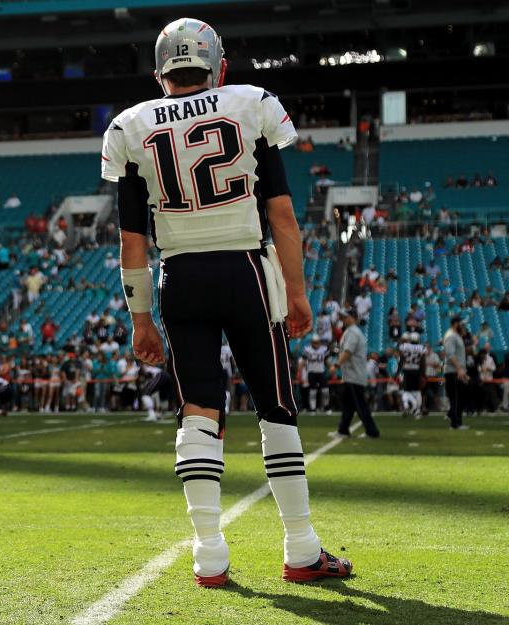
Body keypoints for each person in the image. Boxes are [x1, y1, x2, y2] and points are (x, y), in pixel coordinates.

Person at [104, 17, 351, 588]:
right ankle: (301, 549)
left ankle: (209, 554)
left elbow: (131, 241)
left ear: (159, 72)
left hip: (179, 277)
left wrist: (141, 320)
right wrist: (297, 290)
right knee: (276, 406)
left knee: (198, 411)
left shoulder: (130, 125)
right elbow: (282, 214)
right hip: (243, 267)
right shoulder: (250, 103)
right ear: (220, 66)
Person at [331, 309, 379, 438]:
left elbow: (347, 352)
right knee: (348, 405)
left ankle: (372, 431)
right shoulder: (351, 332)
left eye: (345, 317)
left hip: (354, 376)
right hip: (351, 376)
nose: (343, 319)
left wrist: (336, 365)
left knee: (360, 405)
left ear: (353, 317)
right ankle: (343, 430)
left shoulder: (353, 332)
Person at [443, 316, 470, 430]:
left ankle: (458, 421)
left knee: (461, 397)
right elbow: (451, 354)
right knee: (455, 397)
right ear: (455, 324)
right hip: (453, 371)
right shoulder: (451, 336)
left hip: (459, 371)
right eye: (461, 324)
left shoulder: (457, 336)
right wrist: (459, 369)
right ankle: (454, 423)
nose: (463, 326)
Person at [398, 332, 426, 418]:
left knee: (406, 391)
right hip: (416, 370)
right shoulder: (422, 348)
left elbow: (401, 360)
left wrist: (398, 371)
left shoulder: (404, 346)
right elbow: (423, 362)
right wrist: (423, 374)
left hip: (407, 370)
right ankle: (417, 410)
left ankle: (407, 406)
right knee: (417, 391)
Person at [302, 335, 330, 414]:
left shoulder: (324, 349)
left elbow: (326, 361)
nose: (316, 344)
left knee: (325, 390)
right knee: (312, 391)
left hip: (321, 372)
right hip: (312, 372)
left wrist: (331, 368)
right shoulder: (307, 349)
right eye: (314, 342)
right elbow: (303, 362)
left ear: (320, 342)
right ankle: (313, 408)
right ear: (312, 342)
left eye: (317, 342)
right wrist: (300, 372)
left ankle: (326, 407)